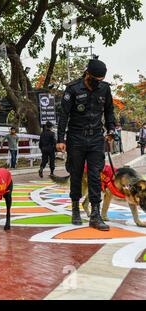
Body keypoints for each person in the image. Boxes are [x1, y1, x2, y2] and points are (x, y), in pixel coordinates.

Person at [57, 58, 115, 231]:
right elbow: (64, 115)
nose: (99, 83)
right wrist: (60, 139)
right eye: (96, 79)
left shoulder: (105, 89)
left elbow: (109, 111)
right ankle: (75, 207)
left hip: (96, 138)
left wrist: (111, 129)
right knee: (75, 173)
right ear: (87, 74)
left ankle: (95, 215)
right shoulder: (73, 89)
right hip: (76, 138)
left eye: (101, 80)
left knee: (95, 175)